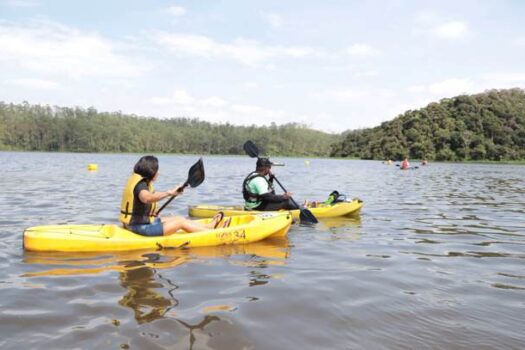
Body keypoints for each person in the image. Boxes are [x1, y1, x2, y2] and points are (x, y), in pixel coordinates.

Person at [120, 155, 224, 236]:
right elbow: (147, 198)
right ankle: (211, 233)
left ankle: (208, 226)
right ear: (151, 171)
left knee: (179, 218)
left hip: (136, 224)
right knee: (179, 223)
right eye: (157, 170)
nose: (159, 173)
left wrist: (151, 213)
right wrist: (169, 193)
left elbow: (143, 202)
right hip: (138, 227)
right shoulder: (140, 185)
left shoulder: (138, 181)